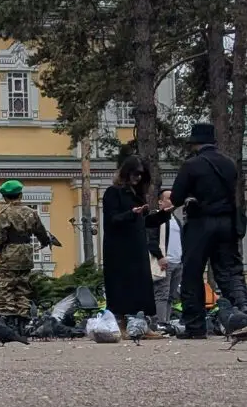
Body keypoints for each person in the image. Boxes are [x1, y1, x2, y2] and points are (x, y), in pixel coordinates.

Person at [171, 120, 247, 337]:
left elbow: (176, 196)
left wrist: (190, 198)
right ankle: (243, 311)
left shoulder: (192, 165)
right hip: (227, 223)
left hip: (201, 223)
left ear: (195, 144)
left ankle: (195, 326)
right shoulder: (229, 164)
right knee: (230, 271)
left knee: (193, 273)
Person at [101, 153, 166, 322]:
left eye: (141, 175)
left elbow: (144, 222)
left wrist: (163, 216)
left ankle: (142, 322)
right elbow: (112, 219)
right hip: (119, 250)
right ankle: (122, 323)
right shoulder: (113, 193)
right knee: (121, 287)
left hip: (137, 248)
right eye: (135, 174)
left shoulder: (136, 196)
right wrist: (132, 213)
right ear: (126, 173)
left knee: (142, 287)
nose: (138, 178)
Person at [0, 179, 57, 325]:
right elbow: (42, 234)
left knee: (5, 287)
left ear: (5, 197)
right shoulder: (32, 213)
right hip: (26, 252)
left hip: (10, 254)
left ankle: (9, 319)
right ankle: (22, 319)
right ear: (20, 195)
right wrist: (44, 243)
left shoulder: (4, 214)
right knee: (22, 287)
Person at [151, 190, 183, 328]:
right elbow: (151, 240)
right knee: (162, 294)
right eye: (169, 198)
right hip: (165, 262)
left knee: (171, 296)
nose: (172, 201)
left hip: (178, 263)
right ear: (160, 201)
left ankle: (167, 322)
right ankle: (160, 324)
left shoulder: (176, 219)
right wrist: (160, 257)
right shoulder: (157, 218)